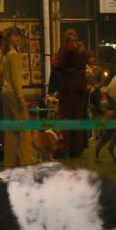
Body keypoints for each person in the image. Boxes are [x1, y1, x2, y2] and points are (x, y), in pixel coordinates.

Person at [52, 29, 88, 158]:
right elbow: (85, 62)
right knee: (79, 117)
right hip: (81, 86)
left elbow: (58, 64)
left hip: (68, 86)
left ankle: (65, 148)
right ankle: (77, 148)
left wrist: (55, 60)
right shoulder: (82, 49)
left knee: (66, 117)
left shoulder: (65, 48)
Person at [1, 26, 34, 168]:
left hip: (5, 93)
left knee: (10, 130)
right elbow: (16, 79)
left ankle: (10, 161)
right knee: (24, 129)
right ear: (9, 38)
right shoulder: (14, 55)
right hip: (13, 94)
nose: (18, 39)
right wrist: (21, 98)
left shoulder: (5, 54)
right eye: (15, 36)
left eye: (19, 36)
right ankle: (27, 160)